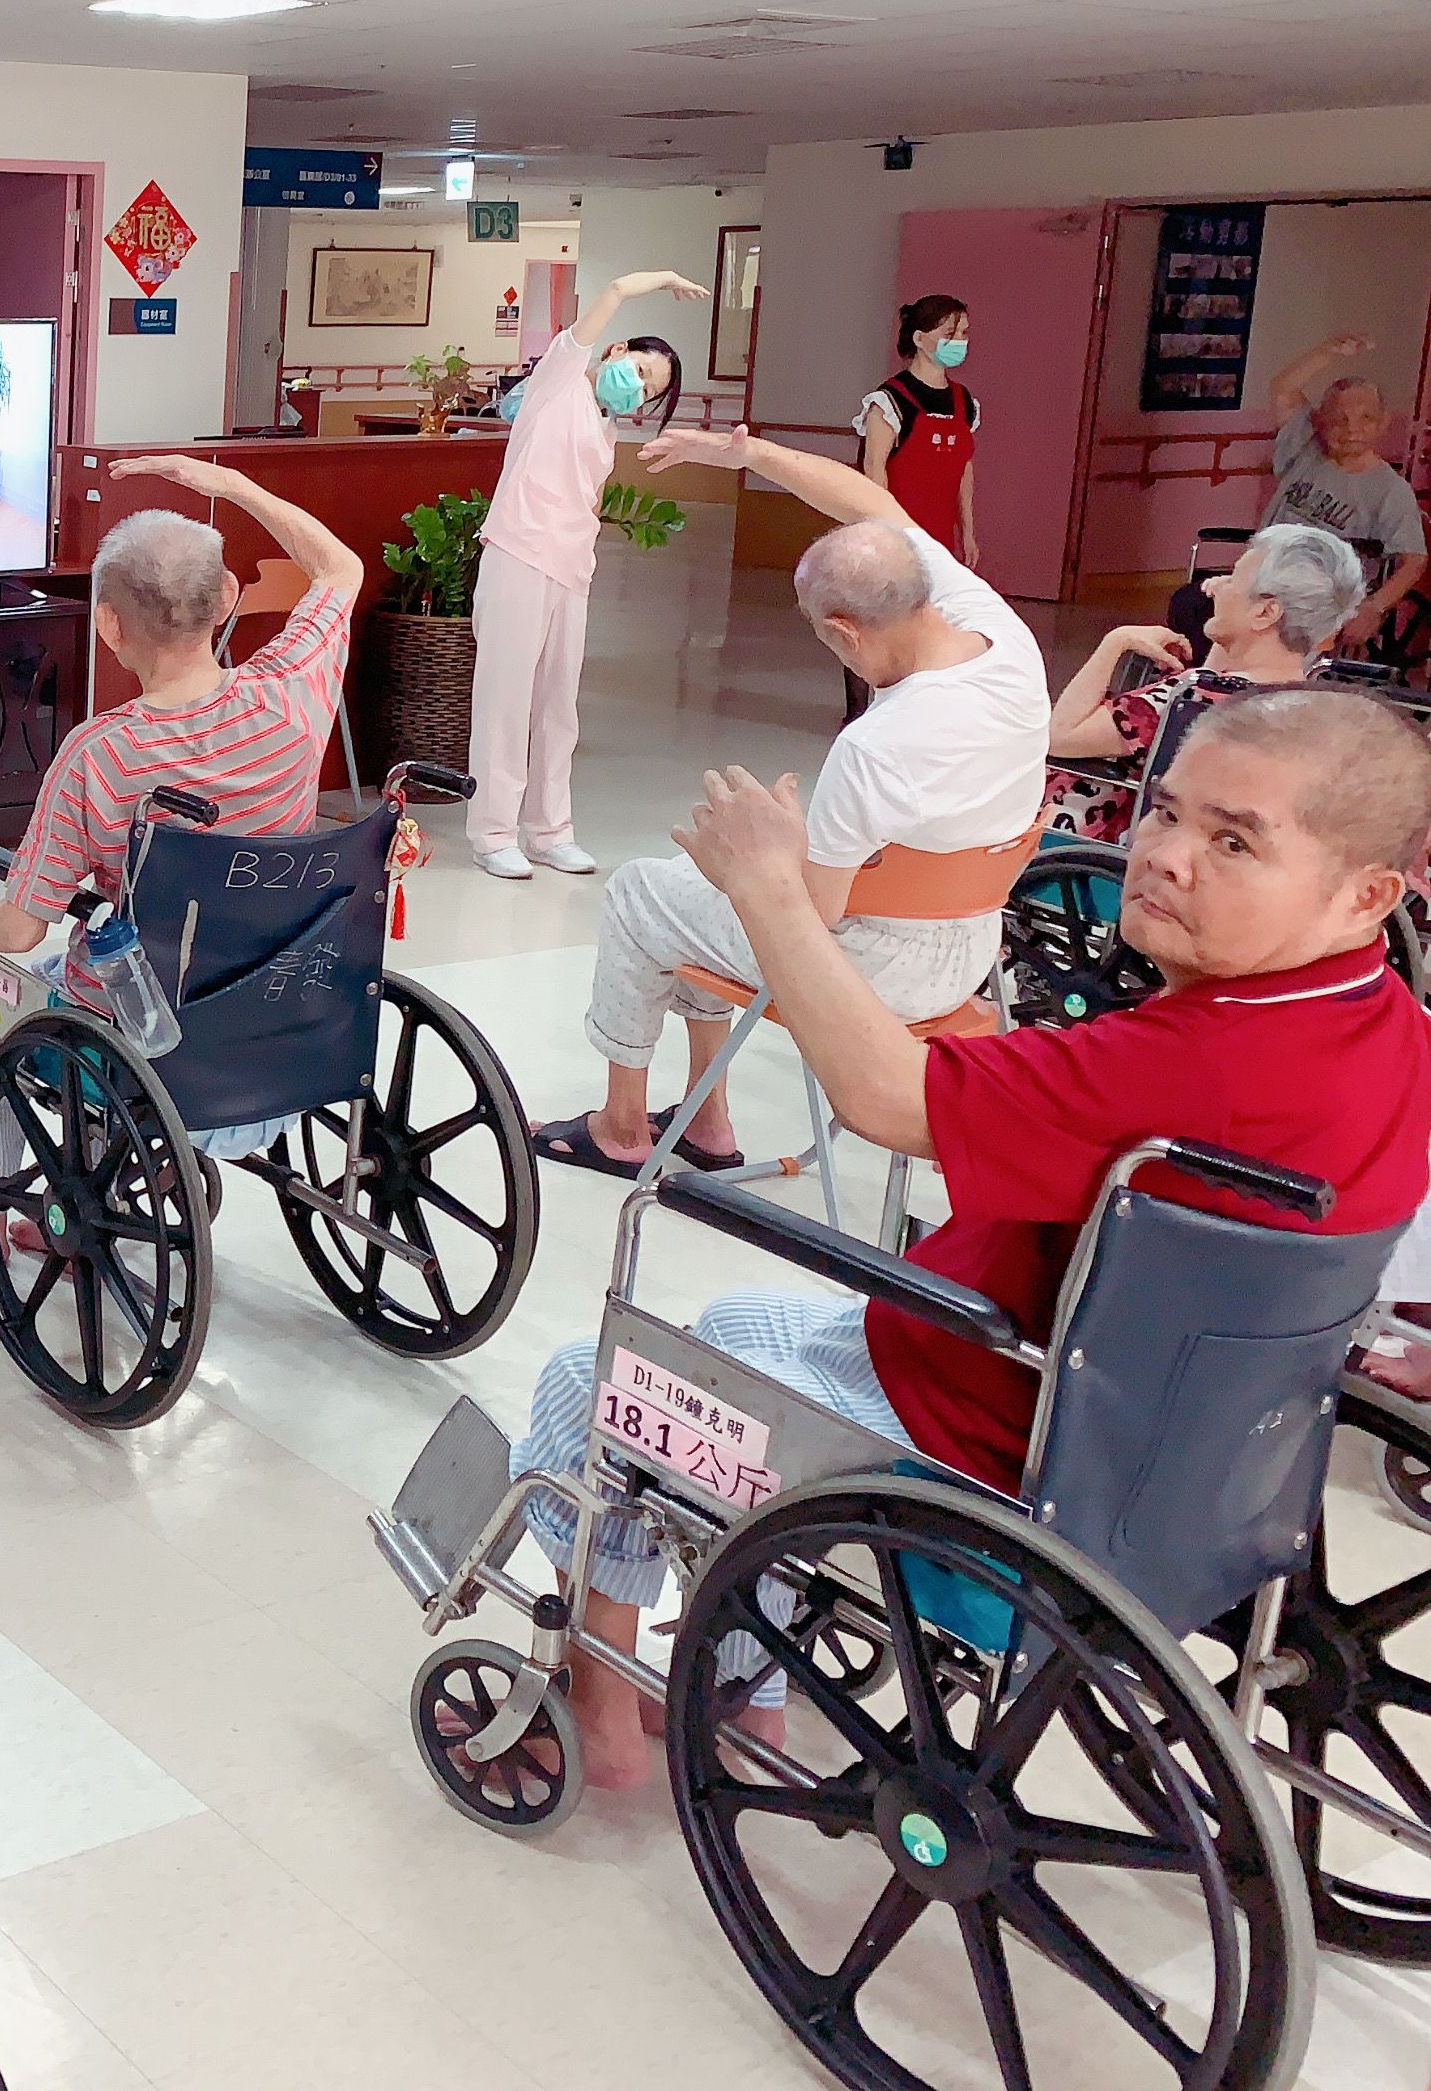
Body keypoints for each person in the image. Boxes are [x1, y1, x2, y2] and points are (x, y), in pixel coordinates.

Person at [491, 688, 1431, 1791]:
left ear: (1367, 892)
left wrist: (766, 892)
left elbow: (885, 1100)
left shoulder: (1194, 1066)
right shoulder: (1384, 1031)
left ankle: (594, 1696)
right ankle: (749, 1679)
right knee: (739, 1322)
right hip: (1170, 1451)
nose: (1166, 857)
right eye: (1168, 813)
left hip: (989, 1452)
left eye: (1234, 841)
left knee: (588, 1381)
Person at [530, 425, 1046, 1181]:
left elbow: (808, 916)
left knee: (645, 890)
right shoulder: (1003, 634)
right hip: (969, 949)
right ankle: (706, 1119)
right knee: (693, 887)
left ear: (843, 631)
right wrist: (750, 454)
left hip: (875, 974)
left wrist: (753, 856)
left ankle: (621, 1126)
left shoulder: (877, 747)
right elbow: (871, 504)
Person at [0, 454, 362, 1156]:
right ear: (227, 597)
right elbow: (340, 569)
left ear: (108, 625)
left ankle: (30, 1208)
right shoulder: (292, 697)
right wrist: (236, 487)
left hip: (146, 1056)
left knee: (1, 1002)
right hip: (287, 1037)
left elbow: (17, 930)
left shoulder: (97, 756)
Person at [465, 268, 707, 879]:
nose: (641, 390)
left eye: (651, 392)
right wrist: (658, 281)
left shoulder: (607, 427)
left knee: (558, 706)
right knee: (505, 699)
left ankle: (550, 829)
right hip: (518, 554)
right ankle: (493, 832)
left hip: (570, 569)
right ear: (618, 352)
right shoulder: (560, 381)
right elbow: (614, 295)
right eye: (644, 373)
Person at [1044, 520, 1357, 842]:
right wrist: (1233, 609)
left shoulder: (1190, 698)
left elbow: (1059, 736)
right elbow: (1222, 671)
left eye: (1233, 578)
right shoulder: (1302, 702)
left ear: (1265, 613)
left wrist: (1116, 640)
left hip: (1085, 838)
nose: (1216, 586)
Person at [1257, 334, 1420, 656]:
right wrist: (1326, 352)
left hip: (1322, 598)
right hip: (1264, 576)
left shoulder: (1390, 491)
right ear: (1320, 421)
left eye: (1365, 419)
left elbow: (1414, 561)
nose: (1351, 430)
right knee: (1193, 605)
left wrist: (1374, 607)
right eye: (1339, 420)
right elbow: (1283, 389)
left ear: (1383, 423)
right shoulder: (1305, 448)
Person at [857, 292, 980, 567]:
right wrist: (884, 537)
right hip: (897, 539)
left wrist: (968, 533)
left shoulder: (964, 401)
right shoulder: (890, 400)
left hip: (941, 541)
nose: (960, 341)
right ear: (919, 339)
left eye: (964, 333)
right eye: (950, 333)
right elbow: (874, 472)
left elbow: (965, 471)